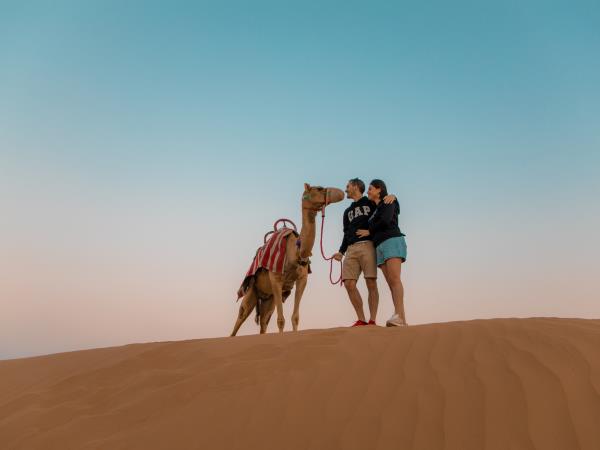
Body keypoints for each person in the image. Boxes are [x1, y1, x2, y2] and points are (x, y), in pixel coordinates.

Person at [333, 178, 396, 327]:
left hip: (368, 245)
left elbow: (383, 208)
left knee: (370, 282)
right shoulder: (347, 212)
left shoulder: (370, 203)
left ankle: (372, 320)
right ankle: (361, 319)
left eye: (348, 186)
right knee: (348, 283)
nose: (346, 189)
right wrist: (341, 251)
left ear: (355, 186)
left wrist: (393, 196)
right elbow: (346, 233)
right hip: (351, 249)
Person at [356, 179, 407, 327]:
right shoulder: (375, 208)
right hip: (379, 246)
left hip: (391, 240)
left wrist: (370, 231)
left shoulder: (388, 201)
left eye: (371, 188)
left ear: (379, 190)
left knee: (395, 279)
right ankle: (401, 318)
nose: (368, 191)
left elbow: (385, 220)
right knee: (391, 283)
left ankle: (399, 316)